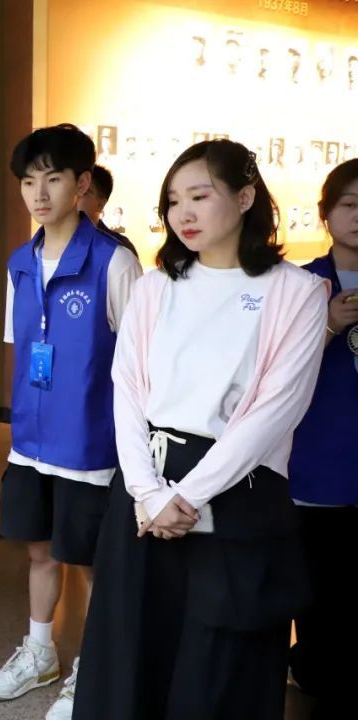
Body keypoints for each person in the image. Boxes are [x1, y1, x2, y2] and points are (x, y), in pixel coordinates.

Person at [74, 140, 329, 720]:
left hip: (237, 492)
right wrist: (146, 491)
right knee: (132, 652)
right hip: (145, 493)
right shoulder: (155, 287)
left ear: (245, 197)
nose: (182, 213)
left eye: (199, 196)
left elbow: (275, 410)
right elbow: (127, 390)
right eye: (172, 201)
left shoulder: (295, 292)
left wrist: (186, 496)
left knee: (219, 668)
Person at [0, 124, 141, 720]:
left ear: (82, 184)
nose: (39, 193)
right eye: (29, 181)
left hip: (90, 446)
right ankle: (40, 652)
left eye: (53, 178)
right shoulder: (19, 263)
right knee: (40, 553)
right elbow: (22, 347)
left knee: (93, 561)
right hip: (30, 442)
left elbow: (139, 363)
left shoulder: (114, 262)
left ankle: (90, 670)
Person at [287, 159, 358, 720]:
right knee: (317, 588)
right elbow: (277, 373)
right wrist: (329, 325)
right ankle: (313, 671)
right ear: (326, 214)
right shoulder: (302, 285)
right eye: (350, 205)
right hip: (317, 466)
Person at [78, 165, 139, 258]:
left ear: (101, 204)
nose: (74, 198)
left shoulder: (120, 250)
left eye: (84, 193)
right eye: (72, 191)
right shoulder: (56, 241)